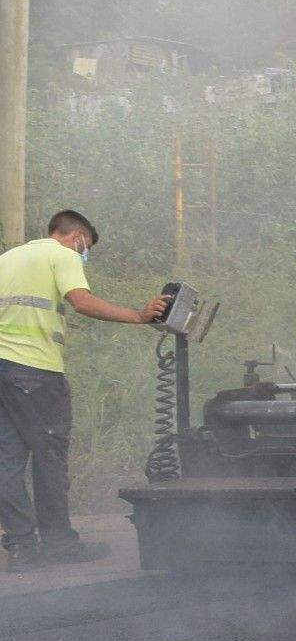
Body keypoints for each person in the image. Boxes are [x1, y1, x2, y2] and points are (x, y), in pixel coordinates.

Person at [0, 209, 169, 570]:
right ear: (77, 236)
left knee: (7, 462)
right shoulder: (62, 255)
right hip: (35, 371)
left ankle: (21, 547)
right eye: (86, 247)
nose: (84, 254)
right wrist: (139, 316)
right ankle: (58, 544)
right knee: (49, 457)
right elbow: (82, 301)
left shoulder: (8, 258)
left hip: (3, 372)